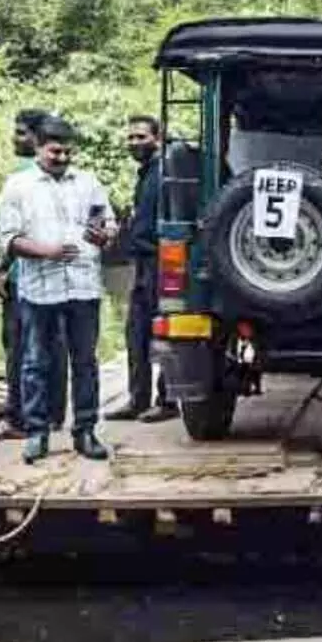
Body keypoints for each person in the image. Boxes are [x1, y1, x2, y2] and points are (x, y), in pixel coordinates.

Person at [0, 116, 119, 463]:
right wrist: (45, 251)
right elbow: (9, 239)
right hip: (39, 290)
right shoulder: (17, 186)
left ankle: (86, 431)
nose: (62, 158)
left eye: (67, 152)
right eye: (55, 152)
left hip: (83, 287)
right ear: (38, 148)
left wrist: (106, 235)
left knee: (85, 362)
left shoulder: (89, 183)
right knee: (35, 362)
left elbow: (108, 224)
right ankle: (37, 433)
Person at [0, 110, 67, 435]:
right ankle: (52, 414)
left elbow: (16, 233)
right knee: (51, 346)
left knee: (21, 350)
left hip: (26, 279)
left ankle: (18, 419)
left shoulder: (24, 177)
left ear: (37, 140)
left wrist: (1, 268)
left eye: (22, 133)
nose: (15, 138)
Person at [122, 114, 176, 422]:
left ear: (157, 137)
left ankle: (166, 400)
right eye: (131, 137)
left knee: (164, 332)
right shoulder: (145, 174)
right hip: (142, 263)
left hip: (161, 261)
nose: (134, 143)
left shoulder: (165, 173)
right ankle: (137, 399)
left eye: (141, 137)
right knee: (136, 333)